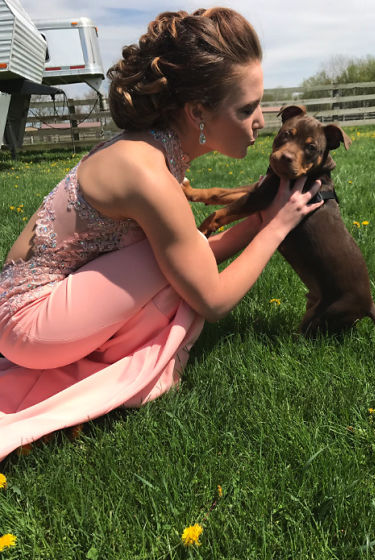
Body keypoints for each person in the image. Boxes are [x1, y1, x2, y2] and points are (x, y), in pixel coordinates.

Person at [0, 8, 323, 461]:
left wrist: (260, 217)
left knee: (179, 259)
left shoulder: (152, 150)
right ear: (197, 112)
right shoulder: (149, 175)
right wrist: (279, 225)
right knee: (176, 270)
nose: (261, 122)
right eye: (246, 108)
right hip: (27, 326)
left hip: (35, 310)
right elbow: (213, 299)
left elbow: (194, 256)